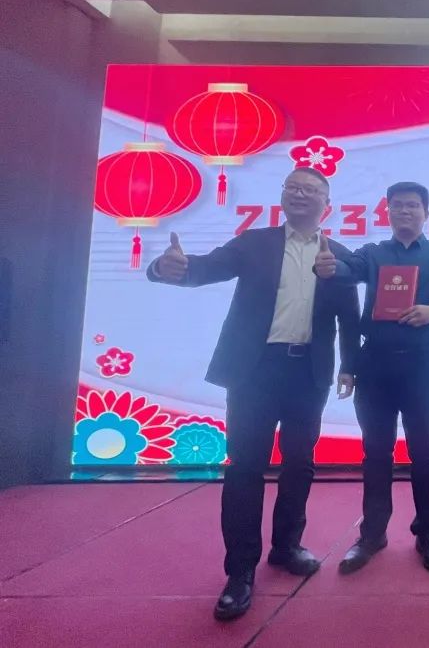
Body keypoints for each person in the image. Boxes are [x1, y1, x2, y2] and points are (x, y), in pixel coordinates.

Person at [147, 167, 361, 620]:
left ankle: (286, 546)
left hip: (309, 373)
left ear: (327, 205)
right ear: (282, 196)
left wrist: (350, 365)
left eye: (311, 190)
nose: (300, 194)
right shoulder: (255, 242)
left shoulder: (338, 256)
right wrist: (169, 269)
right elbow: (206, 267)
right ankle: (240, 570)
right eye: (293, 187)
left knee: (299, 463)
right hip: (254, 371)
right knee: (246, 467)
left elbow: (348, 316)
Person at [315, 181, 429, 574]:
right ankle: (372, 534)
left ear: (426, 212)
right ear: (387, 211)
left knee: (425, 451)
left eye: (413, 205)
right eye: (398, 205)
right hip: (375, 364)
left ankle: (427, 532)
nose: (405, 211)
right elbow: (348, 271)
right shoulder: (372, 253)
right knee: (376, 452)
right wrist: (331, 267)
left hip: (423, 364)